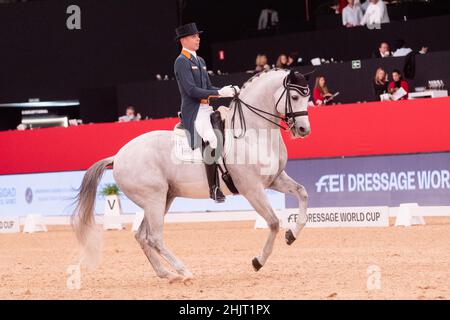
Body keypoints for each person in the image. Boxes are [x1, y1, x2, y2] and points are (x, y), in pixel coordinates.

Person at [173, 22, 239, 203]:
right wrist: (218, 93)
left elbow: (208, 87)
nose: (198, 39)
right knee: (213, 139)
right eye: (194, 36)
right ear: (184, 40)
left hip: (207, 109)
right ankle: (214, 188)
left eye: (198, 36)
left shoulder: (200, 61)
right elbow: (191, 91)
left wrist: (226, 90)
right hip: (194, 112)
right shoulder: (181, 62)